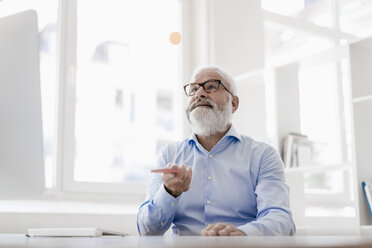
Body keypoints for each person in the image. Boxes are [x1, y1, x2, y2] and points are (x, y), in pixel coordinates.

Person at [137, 65, 296, 236]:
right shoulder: (169, 154)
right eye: (193, 89)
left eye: (211, 86)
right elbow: (147, 231)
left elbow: (281, 219)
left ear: (234, 103)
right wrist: (168, 192)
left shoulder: (263, 156)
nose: (199, 94)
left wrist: (243, 234)